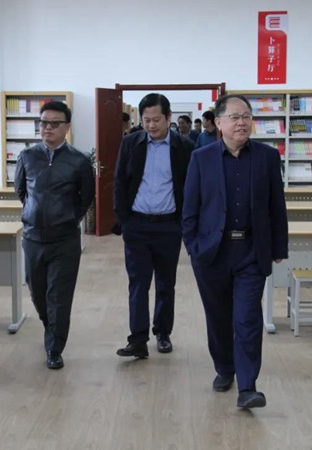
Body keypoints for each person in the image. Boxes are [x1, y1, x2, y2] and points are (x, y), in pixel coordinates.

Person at [182, 94, 288, 410]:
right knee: (218, 316)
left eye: (246, 116)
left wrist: (278, 246)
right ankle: (224, 367)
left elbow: (277, 206)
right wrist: (193, 247)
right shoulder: (201, 158)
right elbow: (190, 208)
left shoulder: (268, 157)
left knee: (247, 318)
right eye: (234, 117)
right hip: (212, 252)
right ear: (219, 122)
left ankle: (248, 386)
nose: (242, 122)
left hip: (251, 251)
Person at [14, 101, 95, 370]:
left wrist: (68, 218)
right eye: (44, 123)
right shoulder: (27, 156)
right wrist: (34, 214)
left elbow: (86, 198)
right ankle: (51, 329)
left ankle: (54, 348)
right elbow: (21, 191)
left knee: (59, 296)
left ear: (67, 127)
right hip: (33, 237)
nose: (47, 128)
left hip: (64, 240)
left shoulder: (79, 160)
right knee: (37, 292)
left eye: (54, 123)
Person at [113, 93, 194, 358]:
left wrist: (185, 224)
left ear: (168, 117)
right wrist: (124, 220)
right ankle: (137, 339)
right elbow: (119, 182)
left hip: (169, 226)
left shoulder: (185, 147)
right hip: (137, 225)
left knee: (165, 283)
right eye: (146, 120)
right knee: (138, 283)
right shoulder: (131, 143)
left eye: (156, 120)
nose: (150, 125)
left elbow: (191, 188)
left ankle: (163, 333)